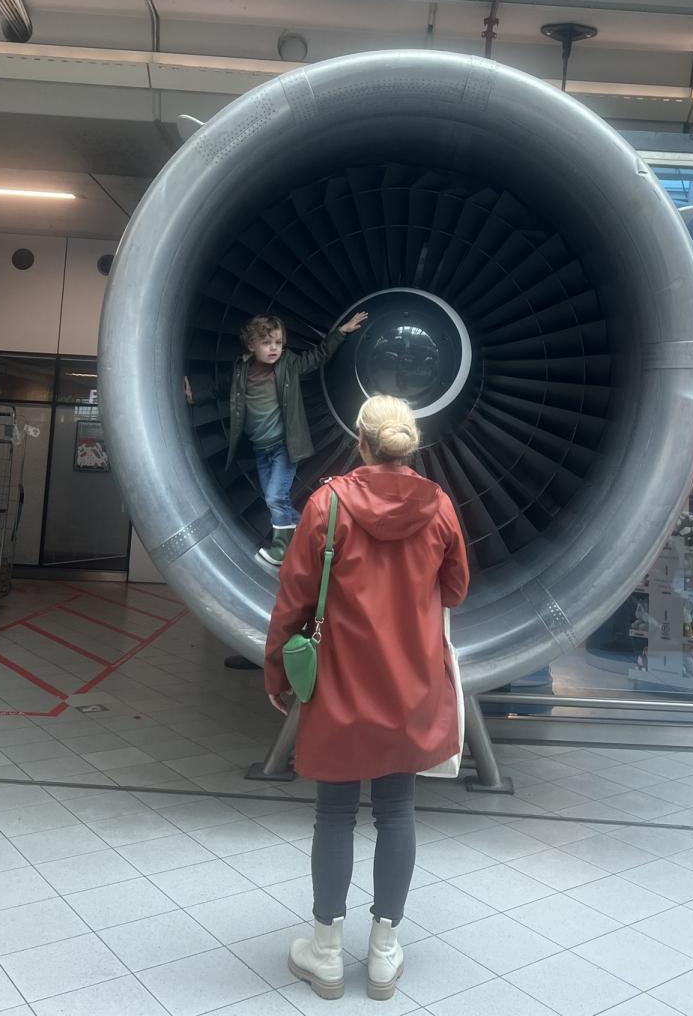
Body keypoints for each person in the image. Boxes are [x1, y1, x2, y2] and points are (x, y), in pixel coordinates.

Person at [264, 394, 469, 1002]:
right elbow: (456, 588)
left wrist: (275, 670)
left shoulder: (327, 503)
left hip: (341, 680)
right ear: (410, 444)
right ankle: (383, 952)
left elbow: (294, 596)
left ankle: (325, 952)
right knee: (397, 810)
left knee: (333, 813)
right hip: (409, 682)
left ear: (360, 442)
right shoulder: (439, 505)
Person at [185, 310, 367, 565]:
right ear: (251, 345)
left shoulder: (289, 365)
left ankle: (281, 549)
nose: (274, 348)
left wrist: (341, 332)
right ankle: (318, 537)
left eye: (278, 343)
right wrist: (195, 396)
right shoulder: (240, 372)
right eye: (266, 342)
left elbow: (318, 356)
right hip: (261, 449)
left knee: (275, 498)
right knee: (276, 500)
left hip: (285, 447)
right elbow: (219, 388)